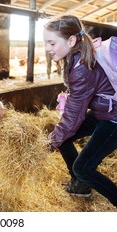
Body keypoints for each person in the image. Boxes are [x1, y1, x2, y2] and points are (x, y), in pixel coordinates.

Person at [43, 15, 117, 207]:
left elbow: (73, 117)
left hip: (114, 118)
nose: (47, 48)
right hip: (104, 111)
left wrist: (50, 142)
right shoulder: (74, 56)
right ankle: (81, 186)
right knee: (64, 138)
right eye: (45, 43)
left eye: (51, 43)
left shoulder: (82, 67)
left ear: (71, 40)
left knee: (83, 167)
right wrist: (58, 136)